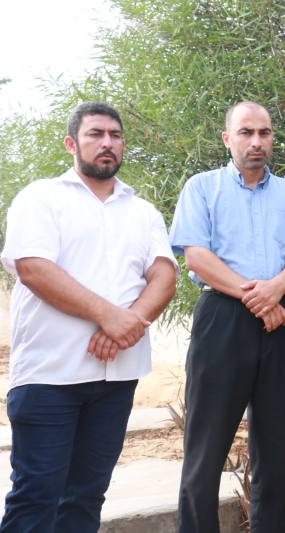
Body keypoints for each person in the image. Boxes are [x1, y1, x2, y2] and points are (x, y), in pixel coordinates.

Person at [0, 102, 178, 532]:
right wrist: (111, 317)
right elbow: (34, 268)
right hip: (49, 375)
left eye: (115, 135)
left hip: (116, 379)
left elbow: (164, 276)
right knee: (36, 495)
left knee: (85, 497)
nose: (107, 143)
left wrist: (125, 325)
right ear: (71, 143)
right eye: (95, 134)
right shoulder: (41, 198)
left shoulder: (143, 211)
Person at [169, 101, 285, 532]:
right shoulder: (201, 187)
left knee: (273, 443)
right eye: (246, 132)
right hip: (223, 317)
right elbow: (196, 256)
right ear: (227, 138)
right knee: (207, 444)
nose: (256, 141)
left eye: (264, 132)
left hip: (279, 325)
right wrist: (261, 297)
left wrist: (276, 291)